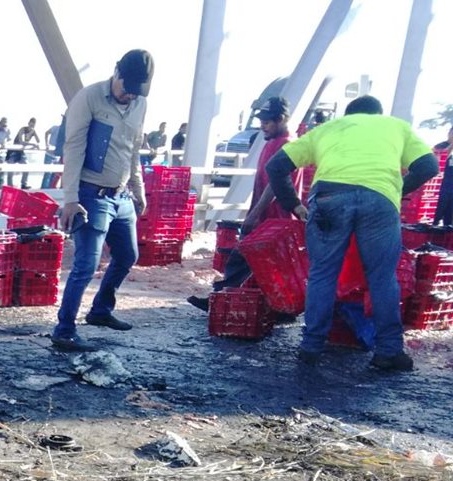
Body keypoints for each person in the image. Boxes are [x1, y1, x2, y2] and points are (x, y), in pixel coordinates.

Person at [266, 95, 438, 372]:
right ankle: (388, 351)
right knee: (382, 278)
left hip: (329, 198)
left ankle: (311, 347)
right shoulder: (396, 127)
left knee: (323, 274)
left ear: (347, 115)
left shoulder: (327, 129)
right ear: (378, 114)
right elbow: (429, 166)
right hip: (379, 200)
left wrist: (294, 205)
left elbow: (276, 167)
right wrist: (394, 191)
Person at [51, 49, 153, 352]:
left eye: (135, 92)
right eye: (126, 89)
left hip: (121, 196)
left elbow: (134, 149)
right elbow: (73, 148)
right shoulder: (89, 98)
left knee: (127, 255)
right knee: (86, 264)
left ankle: (100, 310)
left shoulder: (140, 104)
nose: (128, 96)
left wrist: (138, 189)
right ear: (116, 72)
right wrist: (70, 199)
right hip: (90, 195)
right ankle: (64, 330)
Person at [187, 96, 299, 310]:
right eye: (261, 121)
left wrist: (255, 213)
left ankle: (222, 299)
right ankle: (228, 299)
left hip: (273, 218)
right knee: (258, 262)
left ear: (282, 119)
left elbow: (275, 185)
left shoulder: (286, 144)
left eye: (267, 121)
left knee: (244, 257)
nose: (262, 125)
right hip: (269, 217)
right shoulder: (273, 142)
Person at [12, 117, 40, 189]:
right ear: (28, 123)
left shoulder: (32, 131)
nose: (31, 126)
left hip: (21, 151)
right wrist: (33, 144)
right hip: (14, 150)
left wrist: (34, 133)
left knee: (27, 166)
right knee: (10, 168)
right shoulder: (22, 129)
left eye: (33, 125)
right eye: (31, 124)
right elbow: (22, 142)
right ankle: (9, 185)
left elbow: (38, 141)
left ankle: (23, 184)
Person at [433, 126, 453, 227]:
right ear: (449, 133)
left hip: (451, 190)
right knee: (435, 217)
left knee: (449, 221)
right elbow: (441, 157)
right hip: (440, 189)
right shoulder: (441, 146)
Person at [40, 116, 65, 190]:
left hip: (57, 156)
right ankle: (44, 189)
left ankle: (50, 189)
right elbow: (46, 133)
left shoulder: (65, 131)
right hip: (49, 154)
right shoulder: (55, 128)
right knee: (47, 173)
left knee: (54, 174)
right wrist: (47, 144)